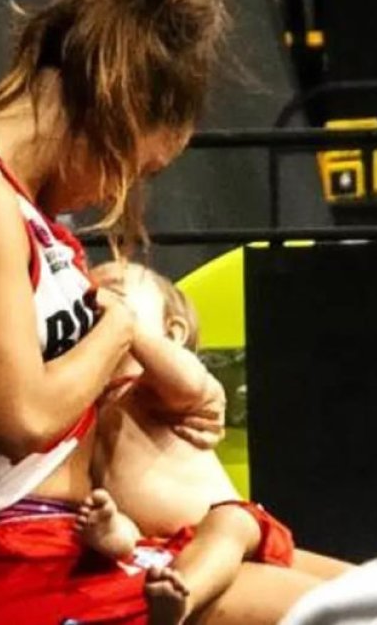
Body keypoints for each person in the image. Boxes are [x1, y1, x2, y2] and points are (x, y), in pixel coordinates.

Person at [0, 0, 339, 622]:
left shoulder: (28, 213)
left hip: (66, 543)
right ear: (115, 109)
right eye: (135, 169)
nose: (116, 192)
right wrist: (118, 326)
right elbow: (22, 417)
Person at [78, 261, 351, 623]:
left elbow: (188, 384)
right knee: (115, 528)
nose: (98, 299)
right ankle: (177, 597)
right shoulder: (89, 409)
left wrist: (126, 326)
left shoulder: (154, 390)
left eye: (116, 290)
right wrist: (110, 530)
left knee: (370, 591)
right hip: (159, 546)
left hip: (230, 525)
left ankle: (185, 594)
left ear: (173, 332)